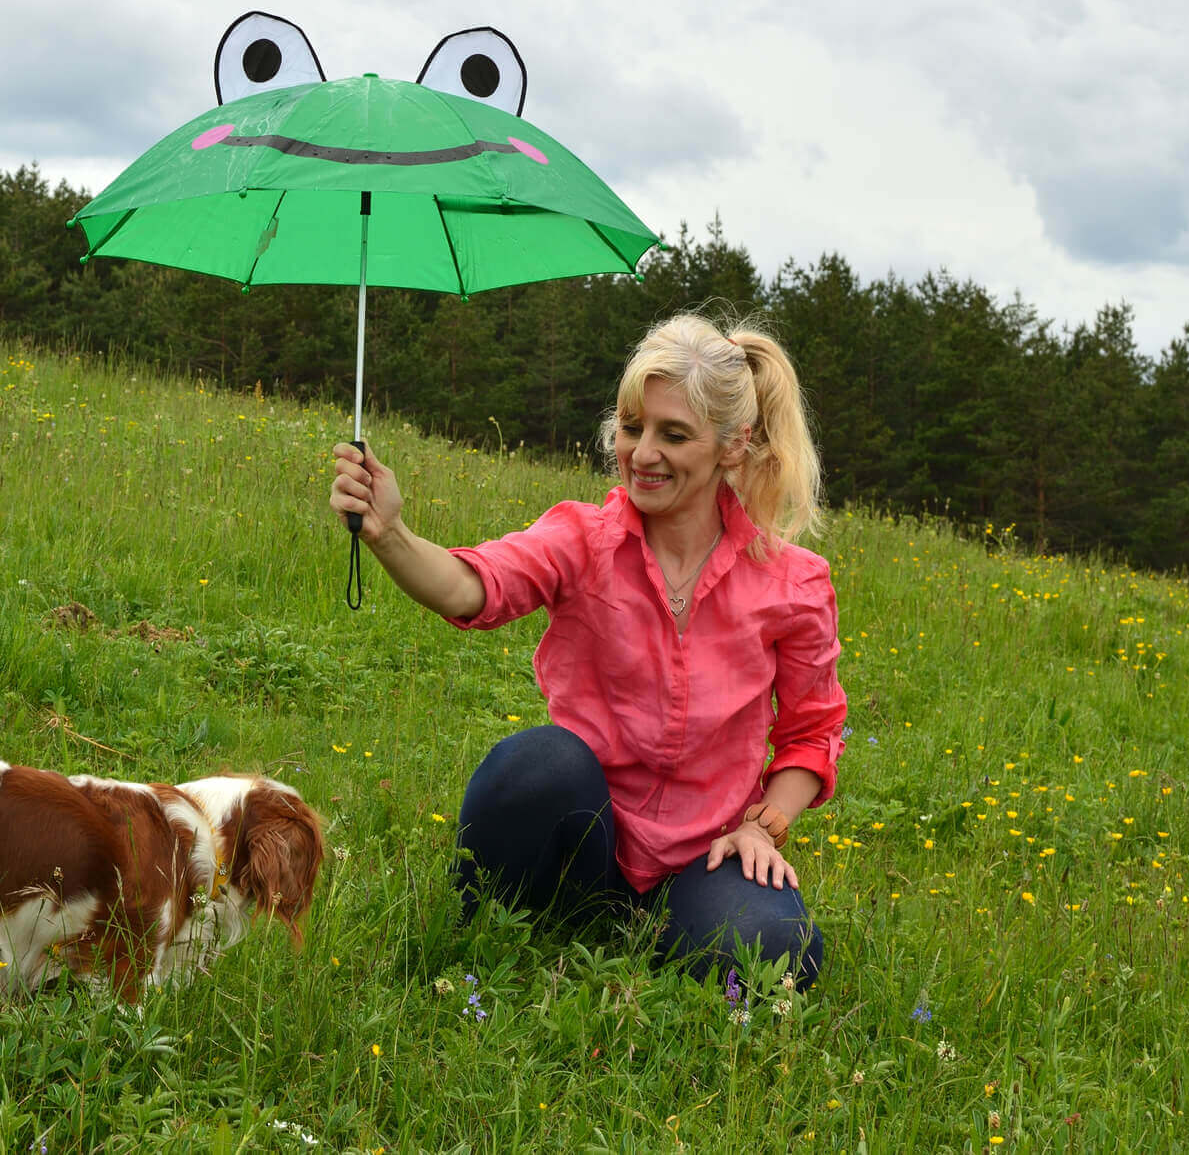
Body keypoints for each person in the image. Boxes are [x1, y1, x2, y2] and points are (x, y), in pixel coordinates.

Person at [328, 313, 845, 988]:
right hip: (584, 838)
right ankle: (499, 929)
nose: (643, 453)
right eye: (633, 427)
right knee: (535, 764)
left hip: (702, 857)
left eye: (673, 434)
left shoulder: (793, 583)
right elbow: (468, 587)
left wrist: (763, 827)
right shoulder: (582, 537)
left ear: (732, 445)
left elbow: (813, 731)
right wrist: (389, 533)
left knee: (778, 954)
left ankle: (661, 929)